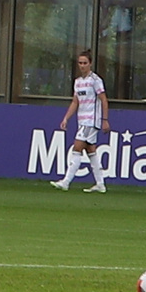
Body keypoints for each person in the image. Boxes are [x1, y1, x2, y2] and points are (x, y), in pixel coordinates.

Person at [54, 47, 109, 193]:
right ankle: (100, 184)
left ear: (90, 64)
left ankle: (66, 182)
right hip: (82, 120)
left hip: (91, 120)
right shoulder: (78, 82)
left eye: (85, 63)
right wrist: (66, 118)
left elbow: (103, 100)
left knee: (77, 147)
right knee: (91, 150)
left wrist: (104, 119)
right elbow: (75, 102)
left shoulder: (95, 80)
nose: (82, 65)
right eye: (80, 63)